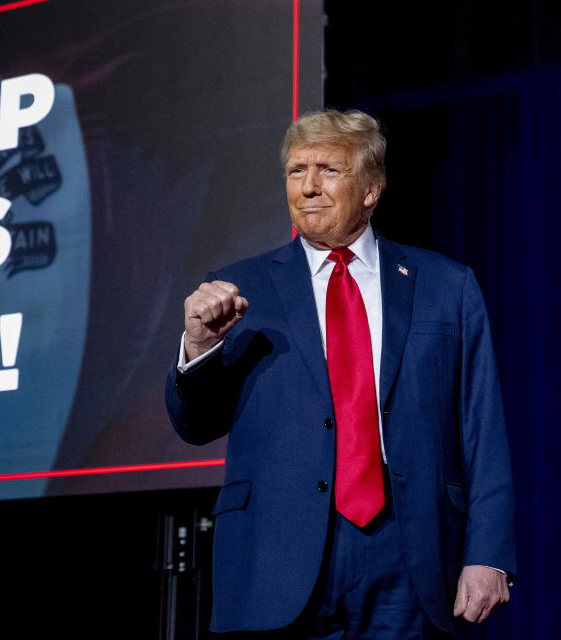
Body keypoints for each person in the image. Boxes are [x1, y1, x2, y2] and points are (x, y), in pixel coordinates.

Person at [165, 110, 516, 638]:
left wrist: (488, 554)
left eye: (328, 170)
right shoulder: (239, 288)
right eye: (296, 171)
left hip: (410, 553)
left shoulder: (447, 286)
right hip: (276, 555)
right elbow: (195, 424)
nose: (308, 187)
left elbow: (482, 431)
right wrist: (199, 344)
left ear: (372, 188)